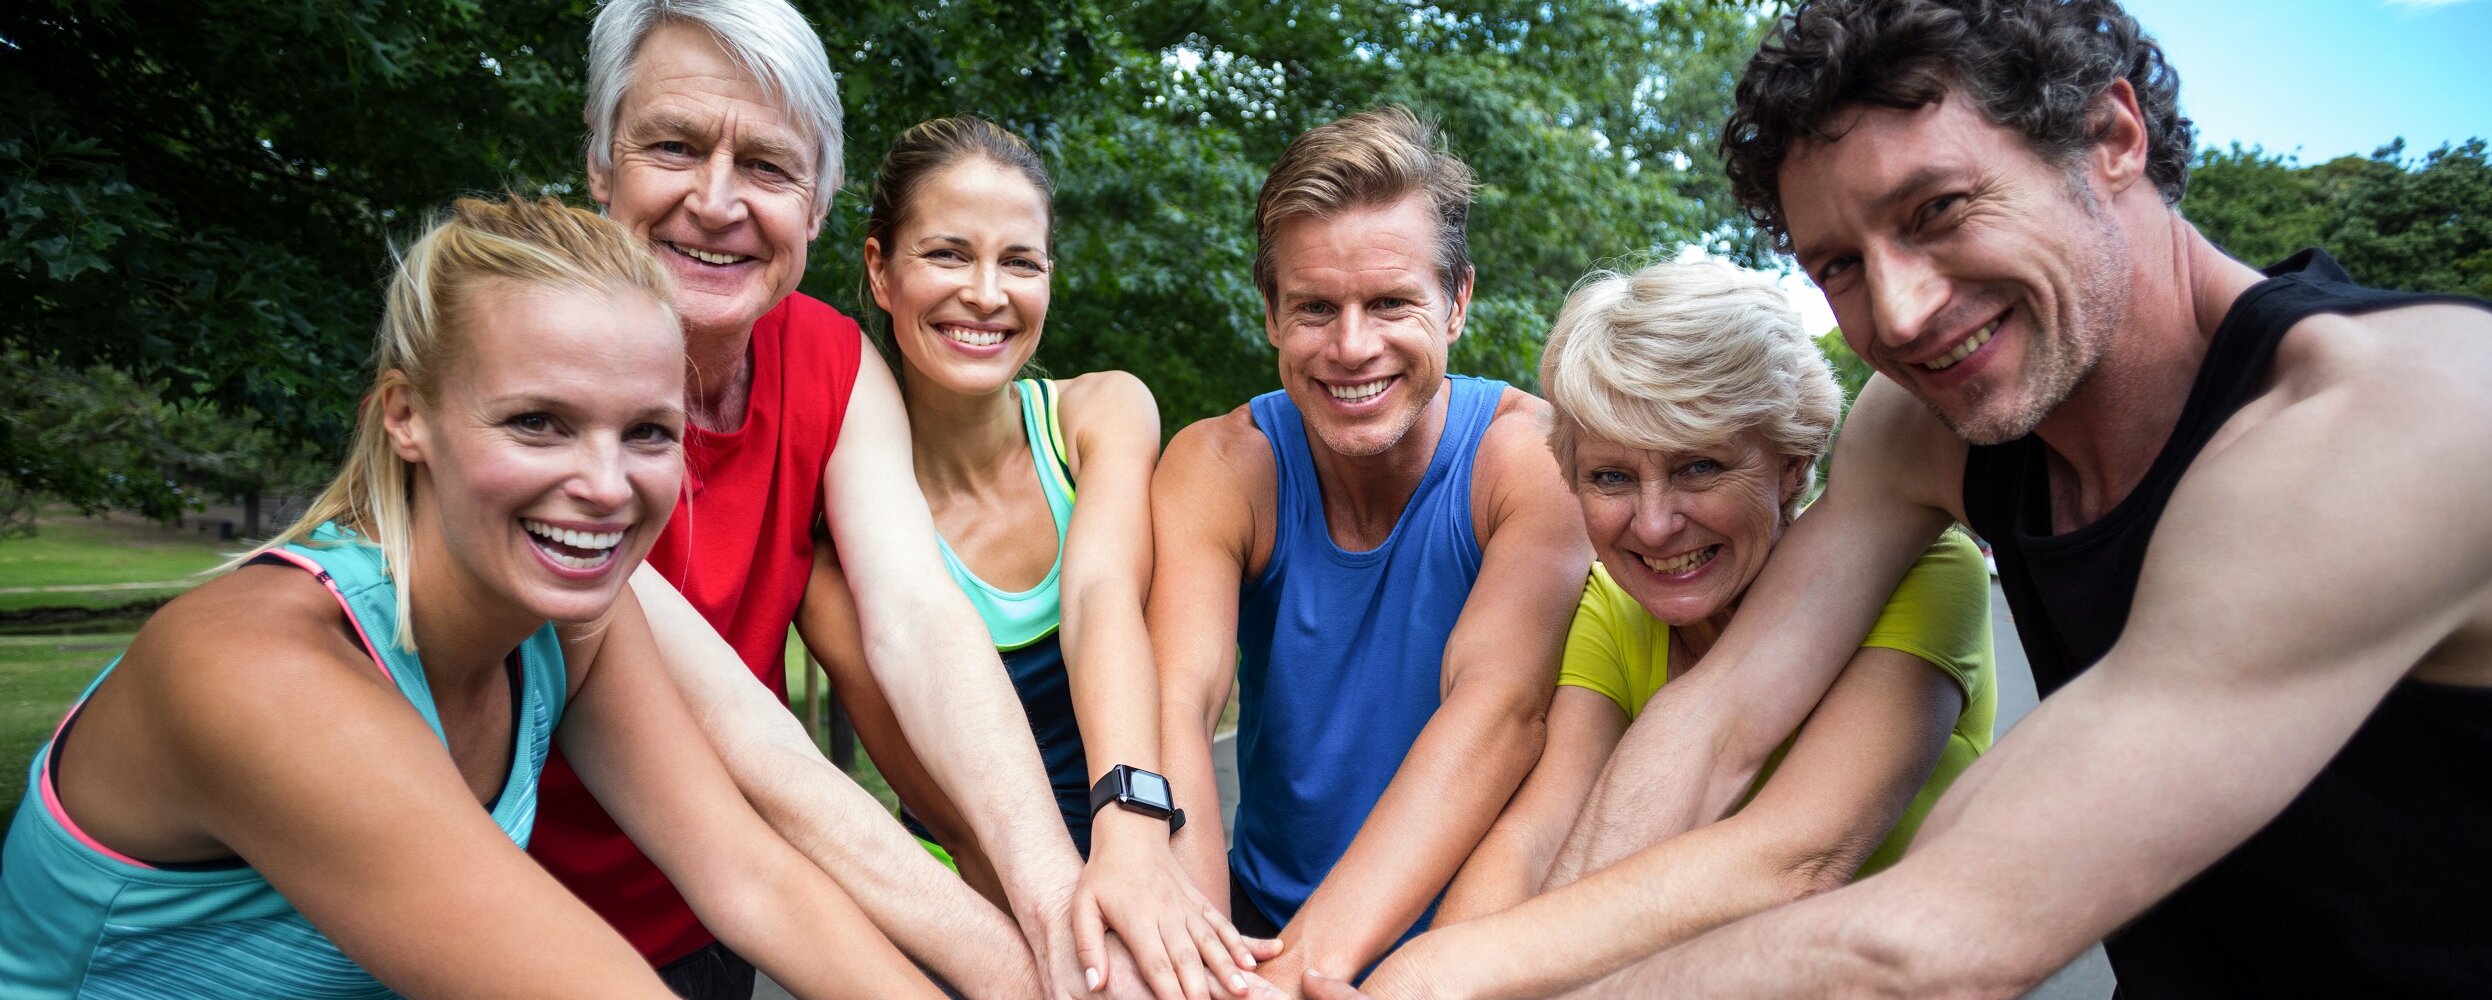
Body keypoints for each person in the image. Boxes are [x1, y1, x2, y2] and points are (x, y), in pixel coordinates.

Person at [1312, 1, 2492, 997]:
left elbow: (1929, 935)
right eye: (1836, 262)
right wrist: (1490, 961)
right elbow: (1714, 724)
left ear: (2109, 132)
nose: (1904, 310)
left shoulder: (2398, 414)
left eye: (1936, 210)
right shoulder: (1926, 423)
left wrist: (1445, 982)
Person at [0, 196, 940, 999]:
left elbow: (751, 879)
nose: (607, 487)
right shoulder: (260, 674)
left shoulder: (570, 624)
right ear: (406, 417)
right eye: (539, 422)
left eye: (649, 432)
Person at [539, 3, 1104, 996]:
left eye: (765, 166)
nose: (714, 202)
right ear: (600, 167)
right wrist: (1035, 971)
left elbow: (920, 620)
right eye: (672, 147)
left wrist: (1060, 902)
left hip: (707, 915)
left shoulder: (832, 362)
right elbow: (738, 729)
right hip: (511, 909)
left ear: (818, 203)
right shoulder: (536, 388)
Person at [1344, 258, 1994, 1000]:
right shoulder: (1613, 605)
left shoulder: (1925, 572)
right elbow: (1537, 838)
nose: (1653, 526)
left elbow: (1794, 858)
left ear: (1792, 464)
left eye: (1699, 468)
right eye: (1612, 478)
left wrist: (1435, 974)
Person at [790, 115, 1280, 1000]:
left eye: (1020, 261)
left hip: (1147, 828)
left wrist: (1138, 850)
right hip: (992, 897)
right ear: (879, 271)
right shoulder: (836, 553)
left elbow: (1101, 603)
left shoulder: (1101, 414)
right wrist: (1078, 959)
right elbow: (956, 816)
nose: (986, 293)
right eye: (947, 254)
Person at [1151, 106, 1593, 999]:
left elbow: (1499, 711)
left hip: (1473, 948)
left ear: (1457, 301)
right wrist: (1205, 961)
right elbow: (1177, 703)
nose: (1352, 348)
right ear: (1271, 311)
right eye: (1316, 307)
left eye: (1391, 303)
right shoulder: (1221, 464)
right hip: (1260, 935)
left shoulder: (1533, 458)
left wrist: (1304, 972)